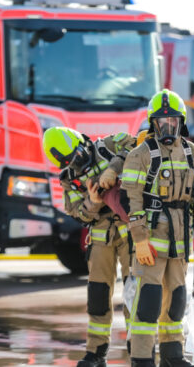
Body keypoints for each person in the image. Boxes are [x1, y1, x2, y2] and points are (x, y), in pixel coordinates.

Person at [121, 88, 194, 367]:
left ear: (181, 122)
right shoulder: (141, 154)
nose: (167, 127)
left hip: (180, 241)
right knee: (148, 301)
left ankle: (173, 356)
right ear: (153, 124)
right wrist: (139, 239)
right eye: (162, 122)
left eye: (172, 122)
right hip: (150, 240)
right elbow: (133, 199)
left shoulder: (192, 153)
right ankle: (142, 358)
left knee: (176, 298)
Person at [42, 127, 136, 367]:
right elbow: (78, 215)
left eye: (77, 156)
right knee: (97, 296)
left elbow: (136, 146)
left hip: (130, 231)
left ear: (82, 142)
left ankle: (140, 350)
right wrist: (92, 203)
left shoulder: (109, 145)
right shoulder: (68, 179)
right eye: (70, 163)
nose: (77, 164)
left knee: (134, 293)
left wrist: (113, 169)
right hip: (101, 235)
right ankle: (96, 353)